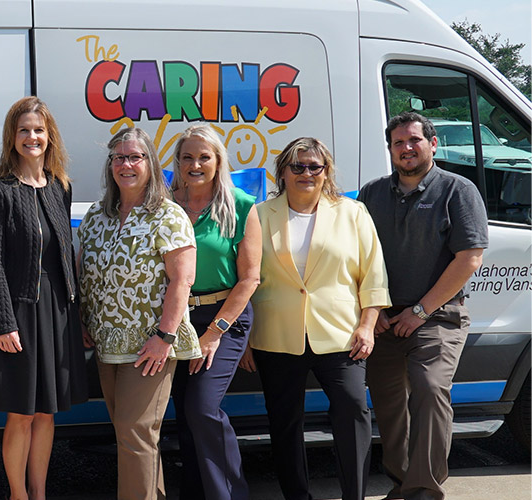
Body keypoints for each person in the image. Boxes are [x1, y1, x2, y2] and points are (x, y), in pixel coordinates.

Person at [240, 137, 390, 500]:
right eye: (297, 166)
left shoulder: (352, 212)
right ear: (283, 172)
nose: (306, 173)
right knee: (284, 423)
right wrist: (244, 338)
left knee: (353, 412)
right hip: (275, 336)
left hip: (341, 336)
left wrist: (367, 326)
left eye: (314, 166)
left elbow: (374, 275)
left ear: (326, 172)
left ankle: (353, 495)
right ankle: (297, 496)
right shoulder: (260, 214)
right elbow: (244, 277)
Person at [358, 112, 488, 500]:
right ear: (391, 150)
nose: (406, 148)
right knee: (389, 404)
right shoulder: (372, 194)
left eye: (414, 140)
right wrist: (373, 310)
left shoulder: (457, 190)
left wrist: (420, 312)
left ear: (432, 144)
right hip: (383, 317)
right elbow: (357, 256)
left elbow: (469, 258)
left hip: (437, 315)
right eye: (398, 143)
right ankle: (402, 485)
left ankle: (423, 492)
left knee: (430, 389)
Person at [0, 96, 88, 500]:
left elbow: (65, 256)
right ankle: (17, 494)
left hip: (57, 312)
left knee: (46, 413)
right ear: (12, 137)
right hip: (20, 313)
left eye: (39, 130)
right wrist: (4, 321)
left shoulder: (61, 187)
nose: (32, 137)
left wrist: (78, 316)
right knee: (21, 414)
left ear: (50, 136)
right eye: (24, 130)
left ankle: (39, 493)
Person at [77, 126, 200, 500]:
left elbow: (182, 281)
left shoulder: (168, 215)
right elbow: (84, 273)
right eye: (119, 157)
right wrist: (84, 319)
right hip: (106, 342)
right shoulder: (96, 216)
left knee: (135, 432)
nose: (126, 164)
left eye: (135, 157)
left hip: (150, 343)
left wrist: (164, 337)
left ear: (150, 163)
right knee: (131, 436)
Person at [169, 124, 261, 500]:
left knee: (203, 408)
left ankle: (230, 494)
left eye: (204, 157)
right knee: (185, 415)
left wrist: (214, 333)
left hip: (224, 318)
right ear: (176, 162)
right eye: (187, 157)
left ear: (218, 161)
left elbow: (250, 279)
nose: (195, 164)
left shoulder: (239, 205)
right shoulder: (164, 204)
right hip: (176, 319)